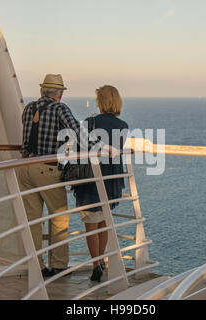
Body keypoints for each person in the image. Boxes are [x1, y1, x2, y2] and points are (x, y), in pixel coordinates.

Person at [18, 74, 113, 278]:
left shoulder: (28, 108)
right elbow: (79, 133)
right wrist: (102, 147)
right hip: (47, 168)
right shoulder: (59, 108)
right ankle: (58, 266)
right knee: (59, 218)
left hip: (25, 166)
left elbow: (26, 137)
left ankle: (36, 265)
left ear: (43, 90)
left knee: (33, 220)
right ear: (59, 93)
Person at [73, 85, 129, 282]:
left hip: (91, 178)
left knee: (91, 223)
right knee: (105, 221)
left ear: (100, 101)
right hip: (112, 179)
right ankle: (102, 260)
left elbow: (78, 146)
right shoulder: (123, 125)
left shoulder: (89, 123)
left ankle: (96, 264)